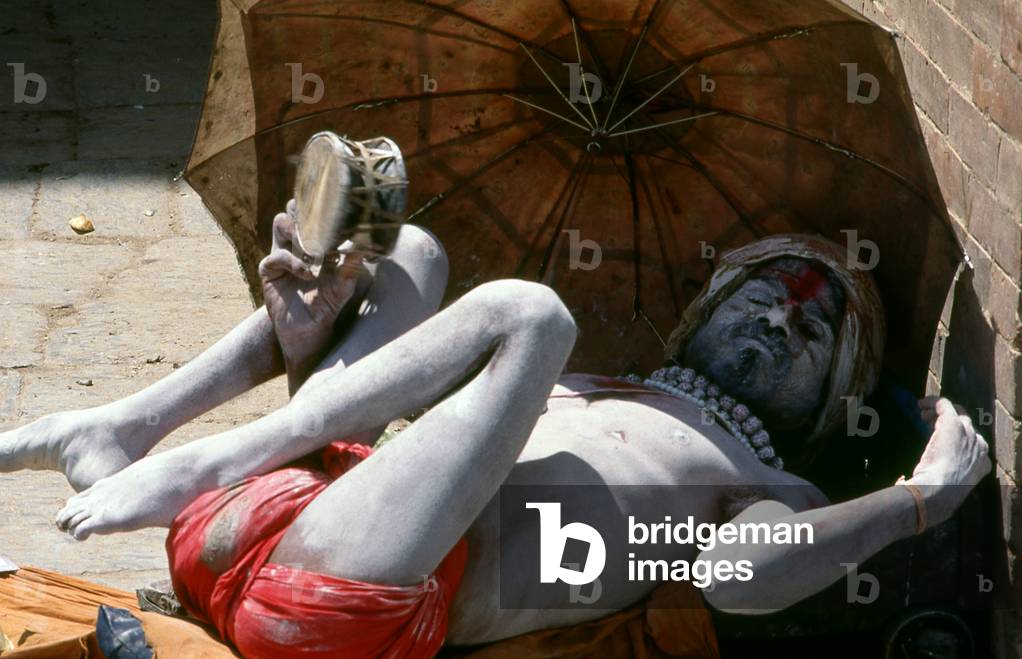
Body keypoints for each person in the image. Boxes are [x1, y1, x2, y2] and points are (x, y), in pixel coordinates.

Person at [0, 145, 990, 658]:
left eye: (814, 330)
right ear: (700, 310)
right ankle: (129, 425)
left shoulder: (757, 478)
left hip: (342, 605)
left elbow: (735, 575)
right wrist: (312, 336)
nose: (779, 316)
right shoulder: (594, 384)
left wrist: (916, 500)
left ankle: (186, 450)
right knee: (411, 255)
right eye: (761, 290)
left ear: (829, 402)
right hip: (288, 519)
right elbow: (394, 443)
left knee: (529, 313)